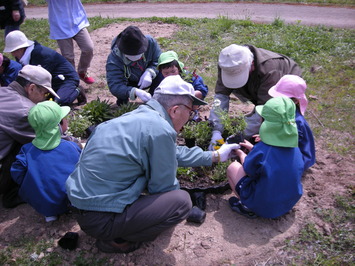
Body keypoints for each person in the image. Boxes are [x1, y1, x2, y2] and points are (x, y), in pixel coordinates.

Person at [66, 75, 240, 253]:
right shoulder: (160, 130)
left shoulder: (134, 119)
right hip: (102, 220)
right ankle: (117, 240)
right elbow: (162, 187)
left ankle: (117, 225)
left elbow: (169, 152)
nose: (190, 116)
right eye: (190, 111)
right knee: (180, 202)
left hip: (82, 207)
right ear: (174, 110)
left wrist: (214, 156)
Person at [209, 44, 302, 150]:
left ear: (252, 64)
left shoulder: (270, 69)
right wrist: (216, 131)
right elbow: (221, 97)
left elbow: (265, 110)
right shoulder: (227, 63)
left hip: (286, 88)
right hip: (257, 82)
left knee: (275, 119)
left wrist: (238, 136)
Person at [226, 97, 304, 219]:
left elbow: (248, 168)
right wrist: (254, 149)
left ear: (265, 121)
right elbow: (272, 160)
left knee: (233, 168)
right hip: (288, 202)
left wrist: (241, 154)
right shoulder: (295, 147)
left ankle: (247, 206)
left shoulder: (264, 149)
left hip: (264, 207)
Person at [0, 64, 60, 208]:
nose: (46, 98)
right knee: (34, 145)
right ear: (32, 88)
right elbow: (50, 138)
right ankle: (15, 192)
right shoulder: (25, 110)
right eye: (45, 93)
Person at [11, 101, 81, 222]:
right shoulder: (70, 146)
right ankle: (73, 207)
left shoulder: (26, 150)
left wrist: (30, 184)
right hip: (69, 199)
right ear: (58, 125)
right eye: (64, 119)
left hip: (41, 203)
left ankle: (49, 214)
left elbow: (17, 172)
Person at [3, 30, 86, 106]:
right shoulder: (23, 56)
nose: (13, 54)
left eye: (14, 51)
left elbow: (40, 79)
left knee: (57, 103)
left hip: (66, 79)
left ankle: (77, 91)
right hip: (52, 81)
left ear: (21, 48)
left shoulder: (40, 55)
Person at [268, 74, 316, 171]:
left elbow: (288, 146)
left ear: (296, 101)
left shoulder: (296, 122)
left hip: (299, 160)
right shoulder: (287, 112)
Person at [106, 25, 161, 106]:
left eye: (138, 52)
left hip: (148, 76)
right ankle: (123, 104)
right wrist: (134, 91)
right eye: (131, 54)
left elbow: (159, 60)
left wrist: (150, 71)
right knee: (121, 93)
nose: (135, 56)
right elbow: (115, 85)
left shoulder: (151, 43)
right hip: (129, 82)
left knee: (163, 74)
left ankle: (155, 99)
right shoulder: (114, 59)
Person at [46, 0, 95, 84]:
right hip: (60, 24)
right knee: (68, 56)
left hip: (78, 22)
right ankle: (73, 79)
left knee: (88, 48)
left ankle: (82, 72)